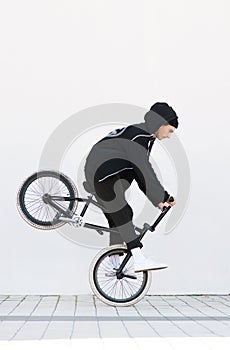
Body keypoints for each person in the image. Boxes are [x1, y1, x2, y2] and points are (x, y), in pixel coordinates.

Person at [84, 102, 178, 272]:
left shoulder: (142, 134)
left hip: (103, 172)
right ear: (160, 124)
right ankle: (139, 257)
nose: (170, 136)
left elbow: (140, 172)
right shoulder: (139, 136)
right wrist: (161, 197)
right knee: (122, 211)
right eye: (170, 130)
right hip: (104, 173)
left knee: (120, 217)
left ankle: (114, 262)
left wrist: (159, 199)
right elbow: (143, 170)